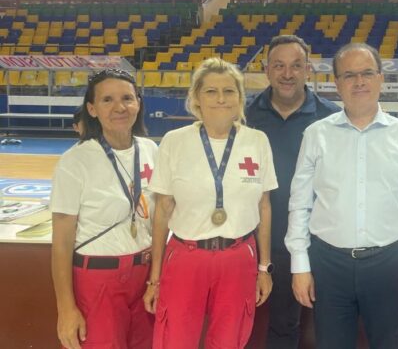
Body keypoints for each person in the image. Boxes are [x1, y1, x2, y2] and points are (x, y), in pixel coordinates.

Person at [285, 43, 398, 349]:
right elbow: (300, 204)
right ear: (337, 83)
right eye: (349, 75)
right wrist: (300, 265)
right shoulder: (316, 135)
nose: (359, 82)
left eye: (367, 73)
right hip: (329, 263)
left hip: (389, 263)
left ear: (381, 78)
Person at [143, 58, 277, 349]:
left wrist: (264, 268)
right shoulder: (174, 141)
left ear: (240, 98)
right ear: (196, 98)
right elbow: (162, 211)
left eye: (229, 91)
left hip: (238, 258)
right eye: (211, 91)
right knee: (175, 341)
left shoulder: (257, 141)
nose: (220, 99)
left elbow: (264, 207)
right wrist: (155, 278)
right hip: (186, 257)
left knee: (229, 341)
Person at [51, 68, 157, 349]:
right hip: (99, 281)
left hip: (146, 276)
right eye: (107, 100)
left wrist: (156, 278)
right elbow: (61, 243)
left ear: (138, 103)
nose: (119, 107)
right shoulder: (75, 161)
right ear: (92, 109)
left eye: (127, 98)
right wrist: (66, 309)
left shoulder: (151, 150)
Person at [245, 35, 340, 348]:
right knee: (271, 327)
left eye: (296, 66)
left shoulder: (330, 117)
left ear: (308, 69)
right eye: (279, 66)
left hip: (318, 242)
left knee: (324, 327)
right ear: (266, 70)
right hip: (261, 241)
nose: (287, 74)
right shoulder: (245, 117)